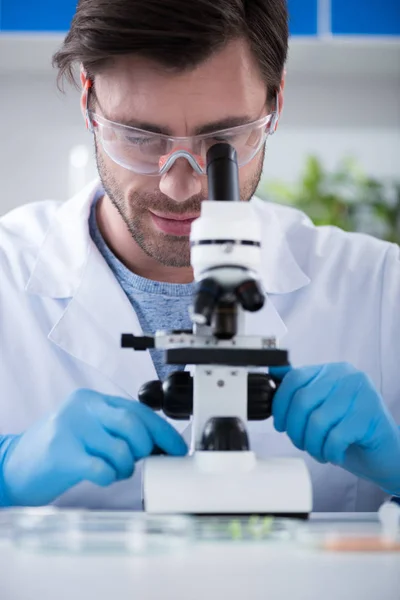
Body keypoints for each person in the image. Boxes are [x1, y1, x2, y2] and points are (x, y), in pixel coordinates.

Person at [0, 0, 399, 513]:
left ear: (274, 104)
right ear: (88, 102)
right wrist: (7, 471)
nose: (179, 184)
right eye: (141, 137)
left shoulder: (378, 286)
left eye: (222, 141)